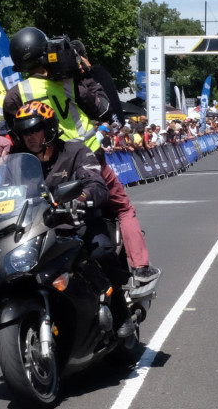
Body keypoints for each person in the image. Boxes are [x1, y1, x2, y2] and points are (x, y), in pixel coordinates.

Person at [2, 27, 159, 283]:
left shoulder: (15, 96)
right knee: (123, 209)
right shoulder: (70, 83)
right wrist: (85, 76)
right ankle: (140, 267)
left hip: (45, 169)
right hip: (89, 160)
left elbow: (16, 137)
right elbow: (104, 110)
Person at [9, 100, 134, 338]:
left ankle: (119, 310)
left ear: (49, 128)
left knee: (100, 252)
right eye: (24, 132)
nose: (30, 136)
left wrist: (81, 198)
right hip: (34, 231)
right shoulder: (17, 161)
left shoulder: (75, 151)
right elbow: (1, 191)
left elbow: (95, 184)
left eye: (35, 129)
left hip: (76, 224)